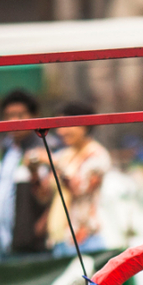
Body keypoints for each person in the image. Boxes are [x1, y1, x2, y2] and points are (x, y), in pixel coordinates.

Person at [27, 102, 111, 257]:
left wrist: (51, 161)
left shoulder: (98, 155)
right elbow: (43, 195)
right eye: (58, 126)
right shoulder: (65, 155)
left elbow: (79, 188)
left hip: (85, 239)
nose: (60, 131)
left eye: (65, 125)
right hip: (59, 240)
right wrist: (33, 172)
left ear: (83, 125)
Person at [0, 89, 52, 260]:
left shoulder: (45, 149)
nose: (13, 121)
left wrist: (43, 225)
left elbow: (54, 195)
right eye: (8, 115)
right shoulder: (2, 150)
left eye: (20, 115)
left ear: (34, 116)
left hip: (33, 248)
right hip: (3, 243)